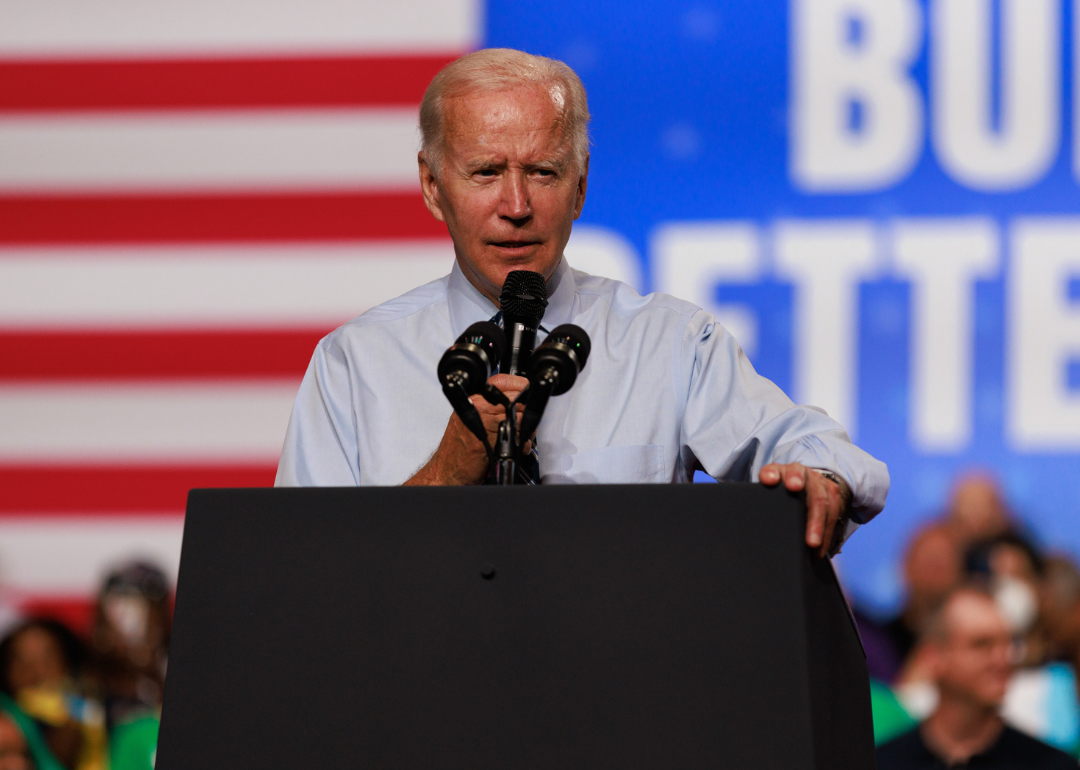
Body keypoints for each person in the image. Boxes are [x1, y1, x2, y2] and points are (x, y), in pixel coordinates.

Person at [276, 48, 889, 556]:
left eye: (542, 172)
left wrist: (824, 480)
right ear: (433, 188)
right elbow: (302, 575)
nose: (516, 206)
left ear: (582, 185)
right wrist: (445, 475)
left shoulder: (668, 342)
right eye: (486, 172)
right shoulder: (353, 365)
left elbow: (809, 446)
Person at [876, 587, 1078, 769]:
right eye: (982, 644)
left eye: (1009, 644)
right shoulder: (882, 763)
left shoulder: (1053, 765)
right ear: (933, 657)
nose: (1004, 659)